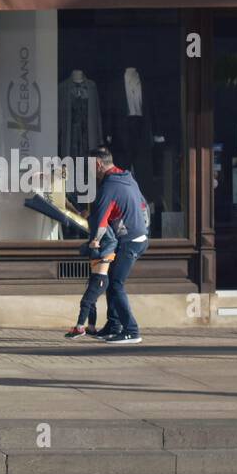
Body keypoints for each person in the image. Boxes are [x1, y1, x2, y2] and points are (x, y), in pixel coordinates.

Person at [87, 146, 150, 345]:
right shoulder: (127, 178)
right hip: (137, 237)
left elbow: (101, 219)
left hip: (129, 241)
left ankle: (131, 330)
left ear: (97, 164)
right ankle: (114, 325)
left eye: (89, 167)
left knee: (115, 284)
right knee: (111, 281)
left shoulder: (109, 186)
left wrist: (94, 241)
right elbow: (142, 205)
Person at [65, 226, 117, 339]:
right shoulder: (95, 241)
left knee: (86, 302)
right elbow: (82, 250)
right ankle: (91, 328)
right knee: (91, 303)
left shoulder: (110, 244)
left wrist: (93, 247)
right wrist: (91, 245)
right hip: (95, 277)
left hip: (100, 279)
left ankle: (79, 328)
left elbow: (101, 255)